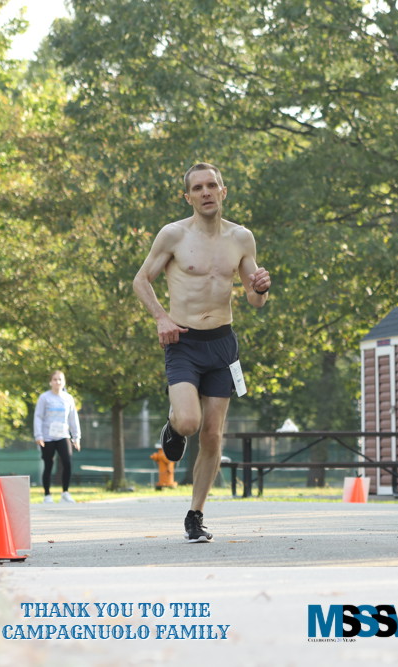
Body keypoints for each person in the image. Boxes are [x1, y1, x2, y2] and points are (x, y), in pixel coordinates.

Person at [133, 162, 270, 543]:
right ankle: (174, 423)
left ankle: (195, 514)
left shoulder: (241, 238)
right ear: (188, 197)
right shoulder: (173, 235)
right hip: (184, 341)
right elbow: (141, 280)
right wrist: (161, 318)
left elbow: (254, 298)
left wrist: (261, 288)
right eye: (198, 188)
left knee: (212, 434)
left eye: (212, 185)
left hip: (222, 344)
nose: (206, 192)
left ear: (223, 192)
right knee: (190, 423)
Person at [34, 370, 81, 504]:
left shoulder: (68, 398)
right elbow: (38, 417)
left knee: (67, 462)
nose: (57, 382)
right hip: (47, 437)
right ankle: (47, 495)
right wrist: (39, 435)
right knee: (48, 464)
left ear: (64, 382)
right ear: (50, 382)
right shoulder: (44, 398)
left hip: (63, 435)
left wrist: (76, 437)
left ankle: (65, 493)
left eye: (60, 379)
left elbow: (73, 418)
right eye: (55, 379)